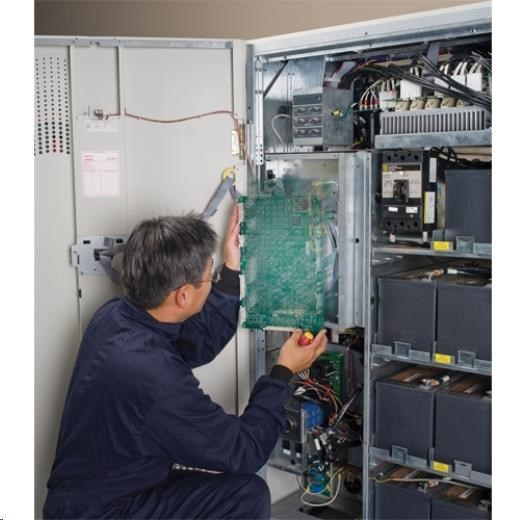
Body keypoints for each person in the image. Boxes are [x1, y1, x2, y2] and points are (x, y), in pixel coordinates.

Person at [43, 207, 327, 519]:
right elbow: (243, 451)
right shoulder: (153, 377)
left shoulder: (116, 315)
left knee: (243, 495)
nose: (212, 280)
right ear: (182, 296)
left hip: (108, 487)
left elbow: (195, 341)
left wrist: (231, 270)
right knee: (246, 498)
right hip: (103, 512)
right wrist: (282, 372)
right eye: (211, 276)